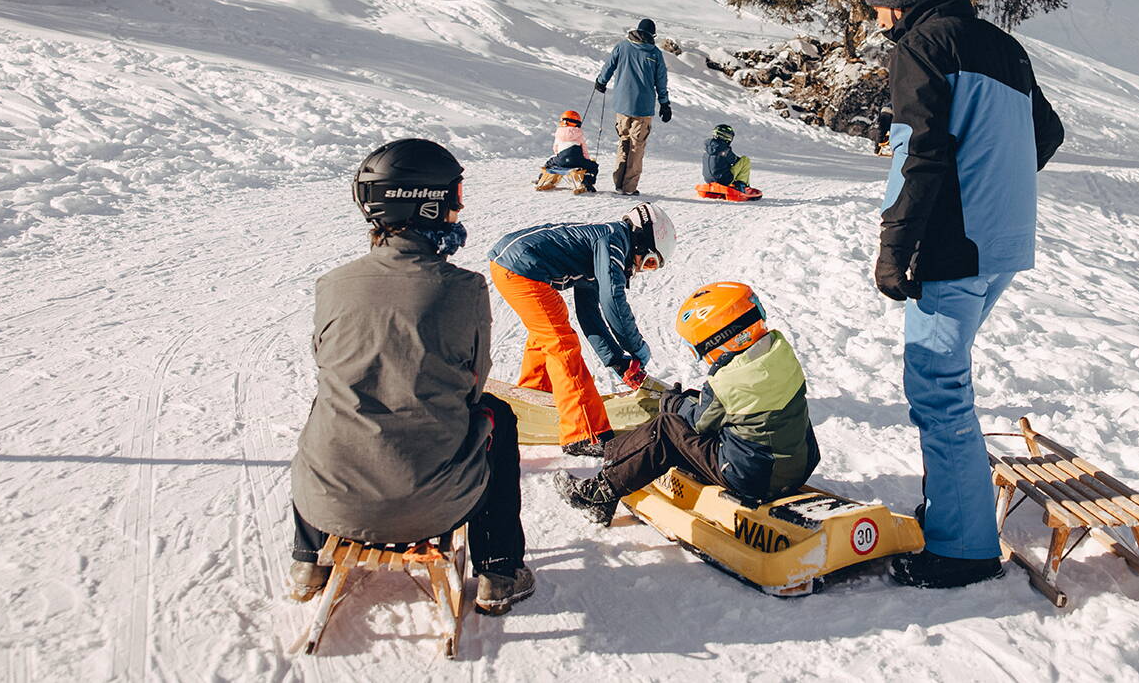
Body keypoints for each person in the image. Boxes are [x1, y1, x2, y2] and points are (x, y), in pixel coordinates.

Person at [864, 0, 1064, 589]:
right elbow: (1047, 133)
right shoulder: (1005, 48)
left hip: (956, 248)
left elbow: (920, 154)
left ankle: (964, 550)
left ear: (899, 3)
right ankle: (952, 508)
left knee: (937, 390)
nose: (874, 24)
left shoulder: (921, 48)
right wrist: (993, 180)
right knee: (950, 384)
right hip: (1002, 245)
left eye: (876, 10)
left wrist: (894, 249)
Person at [288, 139, 534, 614]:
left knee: (330, 402)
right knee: (497, 415)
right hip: (435, 505)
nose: (458, 209)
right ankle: (498, 571)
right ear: (427, 202)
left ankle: (307, 559)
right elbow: (474, 384)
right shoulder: (463, 288)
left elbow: (325, 360)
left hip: (329, 504)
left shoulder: (333, 284)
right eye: (454, 197)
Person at [555, 281, 819, 524]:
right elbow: (733, 407)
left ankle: (598, 494)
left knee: (667, 428)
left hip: (752, 479)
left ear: (718, 339)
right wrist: (692, 400)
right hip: (800, 465)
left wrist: (672, 403)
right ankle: (620, 457)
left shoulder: (725, 380)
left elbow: (698, 423)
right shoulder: (780, 351)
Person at [487, 203, 675, 455]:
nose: (642, 269)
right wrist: (637, 348)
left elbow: (590, 314)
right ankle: (586, 433)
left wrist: (618, 361)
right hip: (520, 267)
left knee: (549, 327)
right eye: (650, 262)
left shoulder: (603, 245)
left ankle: (535, 391)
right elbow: (613, 302)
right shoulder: (613, 243)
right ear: (641, 241)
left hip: (513, 263)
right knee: (561, 343)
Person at [594, 18, 672, 195]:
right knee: (637, 146)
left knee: (624, 141)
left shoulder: (622, 47)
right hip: (643, 108)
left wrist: (601, 82)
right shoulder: (655, 54)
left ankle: (618, 183)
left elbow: (609, 66)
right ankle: (629, 187)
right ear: (652, 35)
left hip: (622, 105)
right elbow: (661, 82)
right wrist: (665, 104)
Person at [543, 109, 598, 193]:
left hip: (560, 161)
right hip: (577, 162)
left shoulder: (559, 133)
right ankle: (587, 183)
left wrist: (559, 156)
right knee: (593, 166)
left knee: (549, 162)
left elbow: (555, 148)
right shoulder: (579, 133)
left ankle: (542, 177)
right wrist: (586, 160)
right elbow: (584, 149)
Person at [702, 123, 757, 195]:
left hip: (708, 180)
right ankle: (741, 185)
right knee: (745, 160)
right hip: (724, 180)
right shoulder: (724, 148)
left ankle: (733, 183)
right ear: (724, 136)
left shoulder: (707, 148)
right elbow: (735, 160)